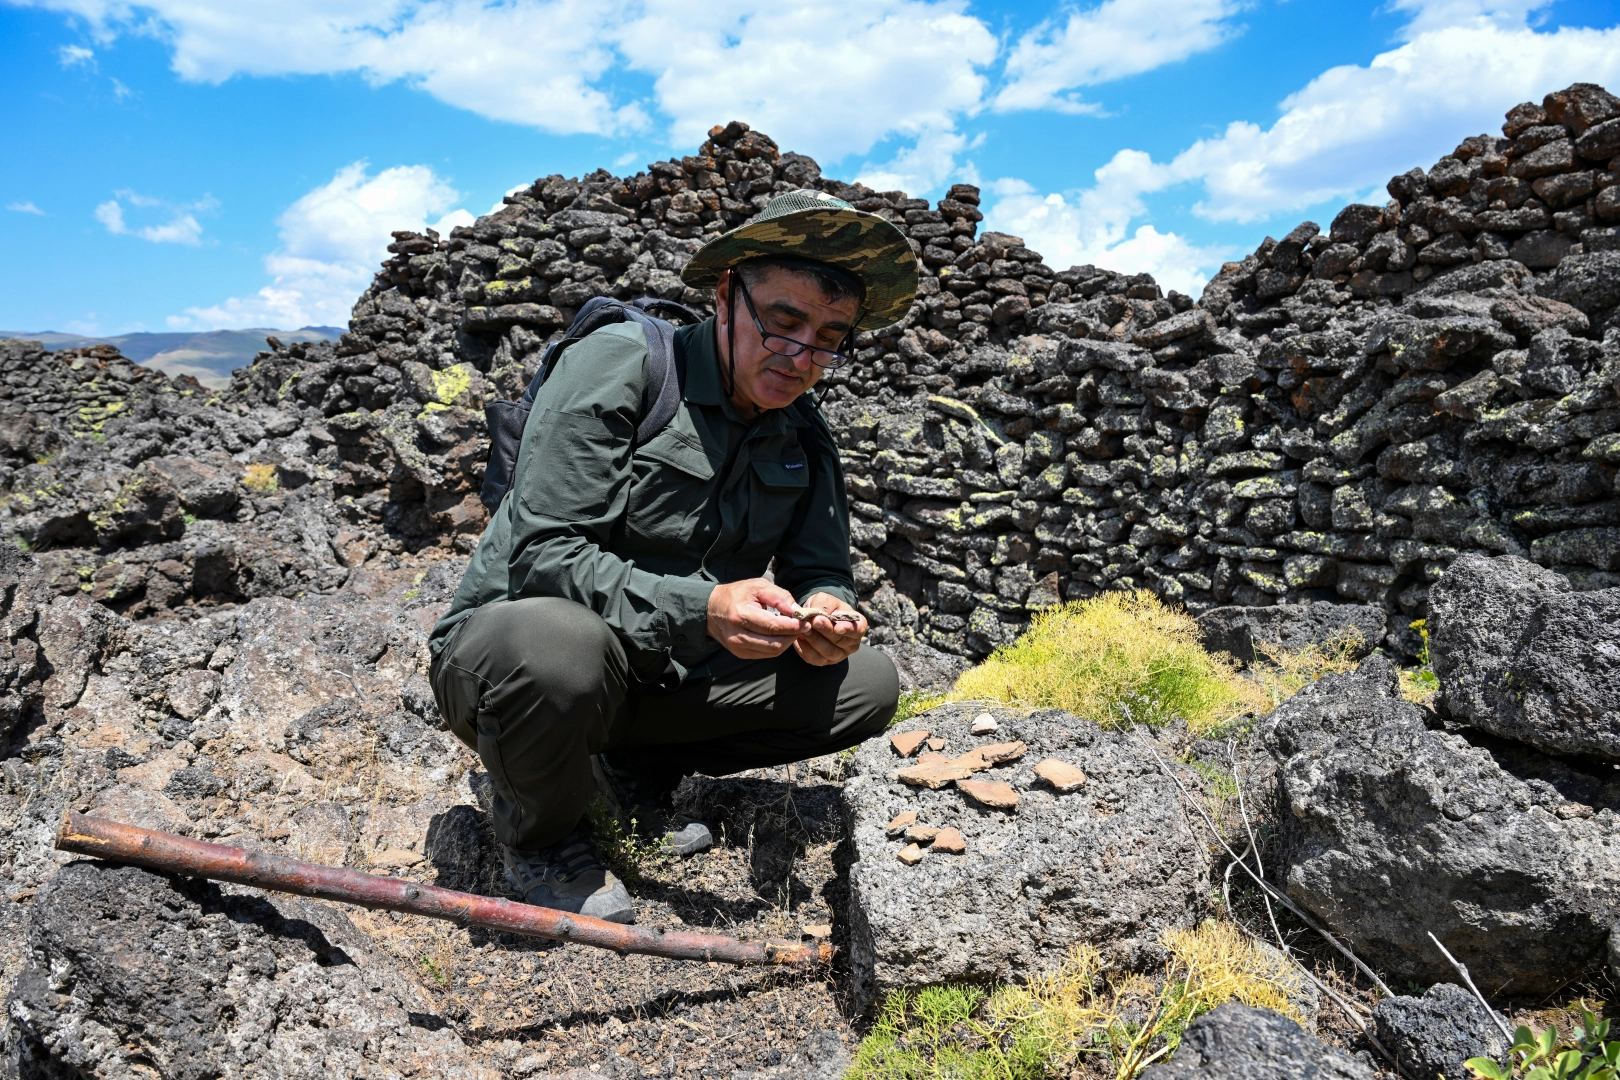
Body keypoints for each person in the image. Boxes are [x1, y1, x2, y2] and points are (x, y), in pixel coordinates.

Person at [428, 189, 919, 923]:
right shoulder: (622, 366)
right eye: (783, 324)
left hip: (663, 675)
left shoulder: (803, 430)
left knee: (867, 685)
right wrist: (706, 607)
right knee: (559, 645)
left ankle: (630, 772)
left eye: (828, 338)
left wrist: (825, 611)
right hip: (518, 658)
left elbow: (821, 568)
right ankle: (541, 834)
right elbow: (543, 554)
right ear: (727, 296)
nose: (799, 357)